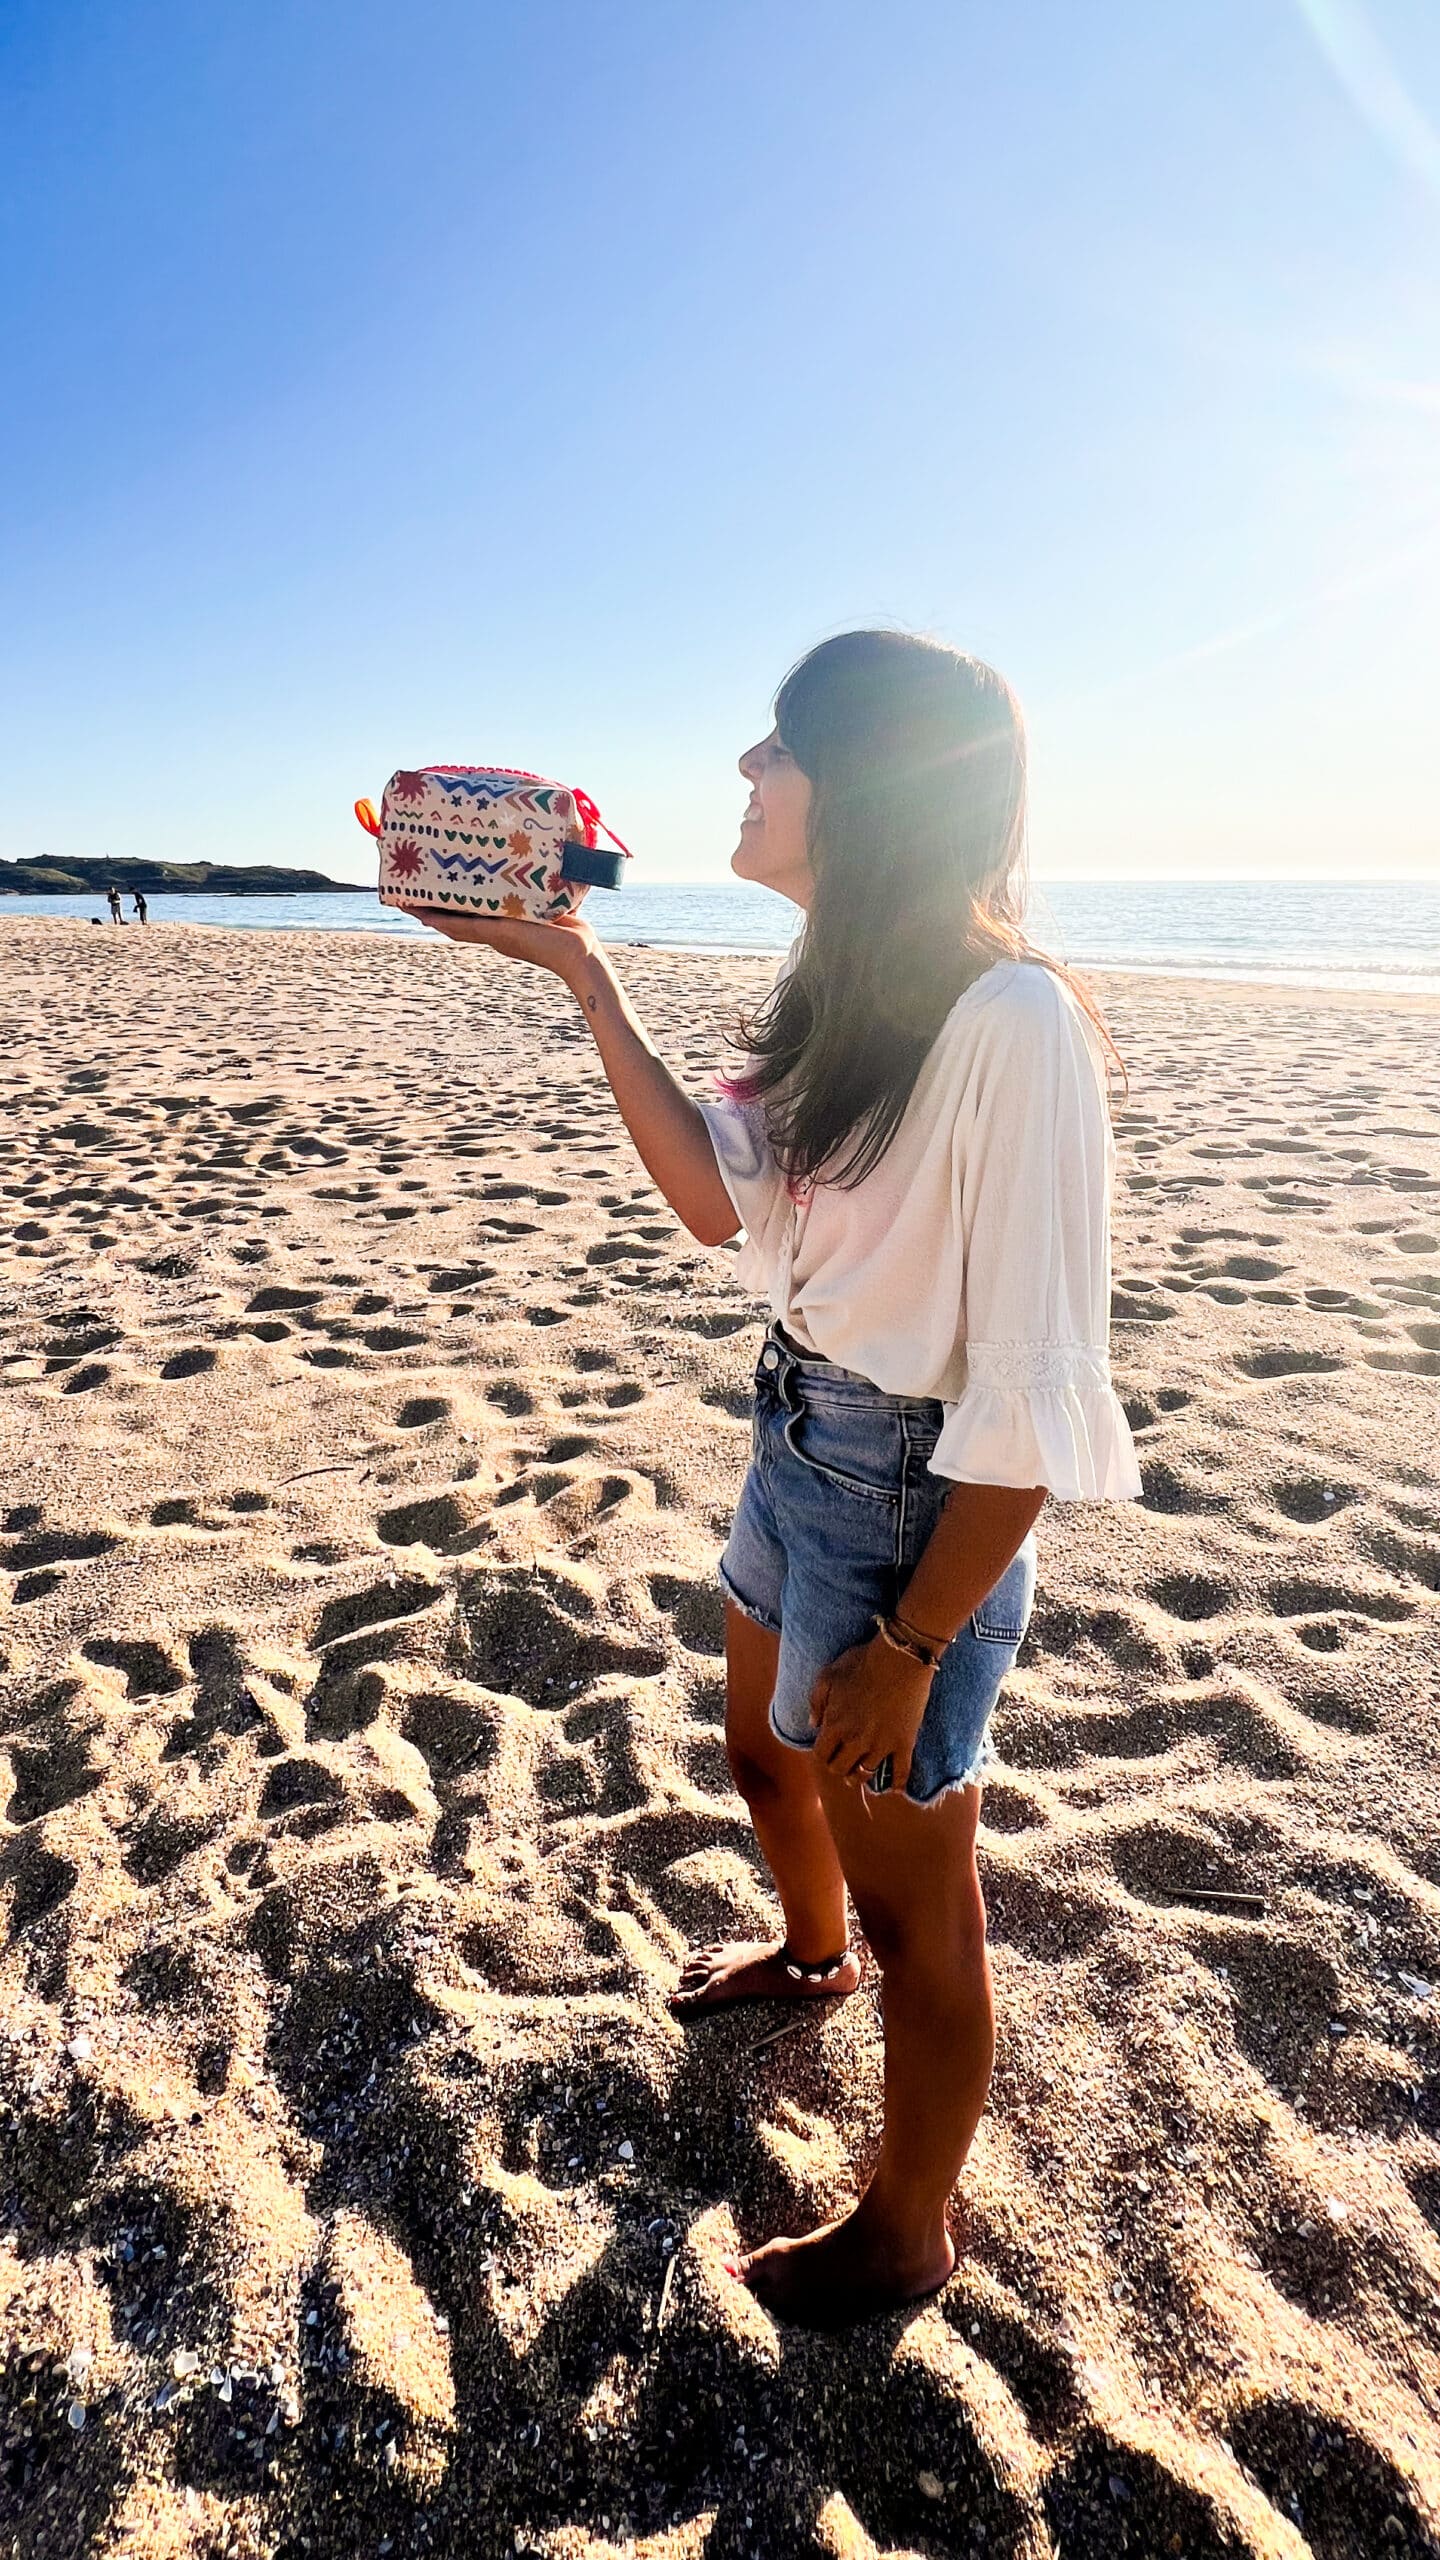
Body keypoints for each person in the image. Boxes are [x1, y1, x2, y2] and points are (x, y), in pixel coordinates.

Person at [403, 630, 1141, 2327]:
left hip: (911, 1501)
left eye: (783, 745)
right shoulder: (844, 992)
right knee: (756, 1754)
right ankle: (800, 1956)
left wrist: (919, 1636)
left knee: (925, 1912)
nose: (747, 767)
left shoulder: (1011, 1020)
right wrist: (583, 978)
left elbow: (1036, 1391)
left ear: (872, 787)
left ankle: (910, 2228)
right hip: (799, 1429)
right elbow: (719, 1206)